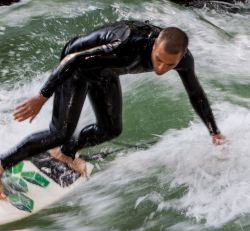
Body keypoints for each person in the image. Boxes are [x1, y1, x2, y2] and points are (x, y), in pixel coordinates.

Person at [0, 20, 225, 199]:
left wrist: (213, 131)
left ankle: (66, 153)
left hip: (106, 71)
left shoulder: (184, 60)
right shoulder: (127, 45)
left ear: (182, 55)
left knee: (110, 129)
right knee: (59, 132)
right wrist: (41, 97)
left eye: (170, 65)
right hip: (75, 66)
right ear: (155, 43)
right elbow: (74, 59)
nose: (161, 68)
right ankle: (3, 163)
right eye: (158, 60)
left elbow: (195, 93)